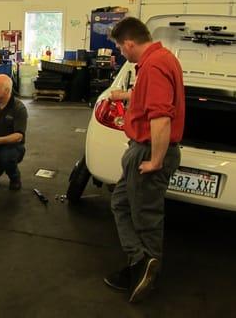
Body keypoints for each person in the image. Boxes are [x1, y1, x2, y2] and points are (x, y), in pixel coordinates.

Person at [104, 17, 185, 303]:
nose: (120, 54)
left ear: (129, 43)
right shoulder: (162, 59)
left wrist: (155, 161)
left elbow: (161, 117)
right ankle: (139, 263)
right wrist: (127, 95)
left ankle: (146, 276)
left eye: (119, 48)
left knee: (146, 217)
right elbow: (150, 96)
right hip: (142, 148)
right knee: (121, 202)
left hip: (148, 151)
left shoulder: (153, 65)